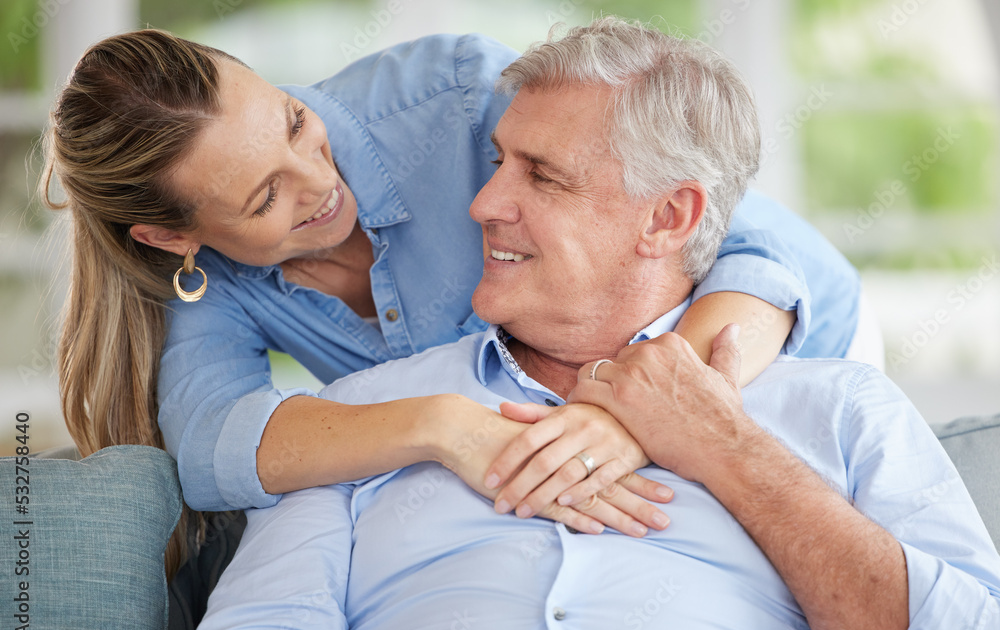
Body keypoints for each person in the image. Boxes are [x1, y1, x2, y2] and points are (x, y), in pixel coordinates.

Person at [197, 17, 1000, 630]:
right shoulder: (358, 421)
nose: (481, 204)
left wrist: (725, 446)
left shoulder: (842, 410)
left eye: (542, 175)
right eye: (497, 162)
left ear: (668, 216)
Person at [44, 24, 863, 575]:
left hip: (746, 376)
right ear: (171, 237)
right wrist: (443, 425)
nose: (322, 185)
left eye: (294, 122)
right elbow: (214, 445)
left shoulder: (457, 98)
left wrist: (634, 413)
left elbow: (786, 262)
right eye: (264, 199)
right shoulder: (206, 277)